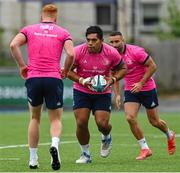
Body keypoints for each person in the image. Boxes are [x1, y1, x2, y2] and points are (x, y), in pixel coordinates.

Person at [10, 4, 74, 170]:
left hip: (34, 78)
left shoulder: (29, 29)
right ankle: (54, 145)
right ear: (56, 17)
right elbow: (71, 54)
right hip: (53, 78)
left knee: (34, 118)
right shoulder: (63, 32)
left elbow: (13, 45)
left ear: (41, 16)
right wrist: (66, 70)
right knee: (55, 119)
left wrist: (22, 66)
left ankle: (32, 159)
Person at [109, 31, 176, 160]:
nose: (114, 45)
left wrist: (141, 83)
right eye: (111, 42)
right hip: (130, 90)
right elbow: (114, 75)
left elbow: (153, 66)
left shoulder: (136, 52)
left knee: (154, 121)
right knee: (129, 118)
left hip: (147, 88)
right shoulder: (112, 56)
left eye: (117, 41)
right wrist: (117, 94)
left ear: (123, 40)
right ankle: (145, 148)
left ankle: (169, 133)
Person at [67, 26, 127, 164]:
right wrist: (82, 80)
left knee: (102, 124)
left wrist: (112, 80)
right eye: (88, 40)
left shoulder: (111, 52)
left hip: (102, 92)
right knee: (81, 122)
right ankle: (85, 154)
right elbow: (68, 71)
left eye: (94, 40)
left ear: (101, 40)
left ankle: (106, 136)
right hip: (82, 90)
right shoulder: (78, 51)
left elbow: (123, 69)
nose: (90, 43)